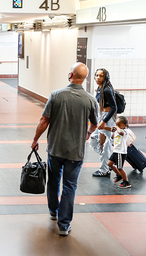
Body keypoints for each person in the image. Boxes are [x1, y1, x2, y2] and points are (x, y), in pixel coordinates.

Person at [31, 63, 98, 236]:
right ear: (85, 79)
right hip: (76, 151)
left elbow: (44, 120)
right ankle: (64, 225)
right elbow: (95, 124)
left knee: (54, 181)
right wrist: (87, 134)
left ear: (70, 75)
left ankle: (53, 211)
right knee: (70, 186)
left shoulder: (56, 95)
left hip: (55, 149)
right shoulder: (90, 99)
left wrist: (35, 139)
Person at [92, 68, 117, 177]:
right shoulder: (99, 88)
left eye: (101, 76)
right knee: (93, 139)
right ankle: (107, 162)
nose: (98, 78)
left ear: (105, 77)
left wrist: (104, 121)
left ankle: (104, 169)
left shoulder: (106, 90)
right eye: (97, 75)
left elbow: (114, 107)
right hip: (101, 116)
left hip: (106, 118)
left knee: (104, 145)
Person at [107, 116, 131, 189]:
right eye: (117, 124)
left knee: (120, 168)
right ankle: (119, 175)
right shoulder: (118, 130)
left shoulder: (126, 131)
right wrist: (103, 127)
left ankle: (126, 182)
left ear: (125, 125)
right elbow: (112, 130)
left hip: (121, 152)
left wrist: (117, 127)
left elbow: (121, 132)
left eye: (119, 125)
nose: (118, 126)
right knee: (109, 164)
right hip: (115, 151)